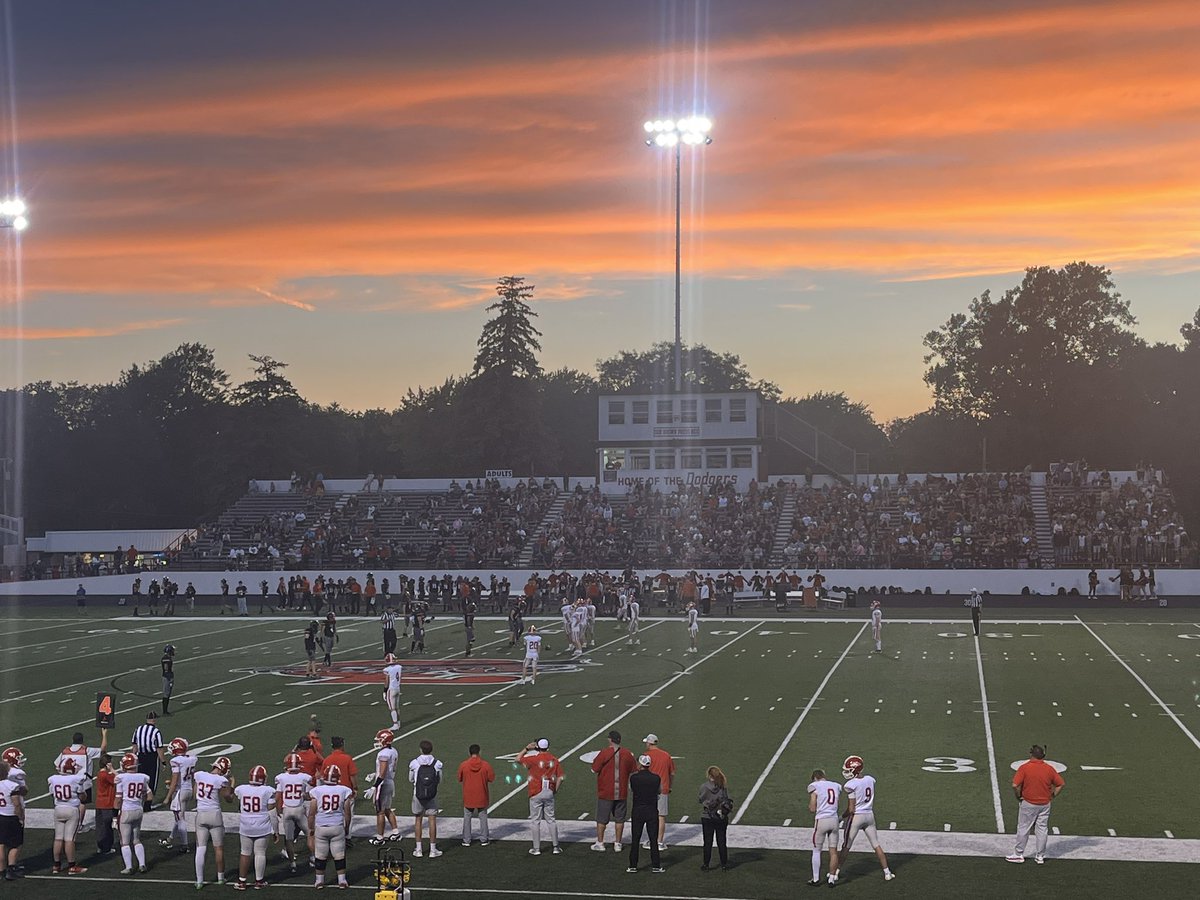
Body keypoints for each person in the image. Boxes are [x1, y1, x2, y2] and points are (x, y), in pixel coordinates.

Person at [829, 755, 894, 884]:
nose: (846, 772)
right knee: (876, 845)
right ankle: (887, 872)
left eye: (848, 770)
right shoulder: (870, 779)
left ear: (855, 770)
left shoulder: (850, 785)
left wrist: (841, 817)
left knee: (846, 846)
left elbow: (851, 809)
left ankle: (835, 873)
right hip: (869, 815)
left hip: (857, 817)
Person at [1007, 744, 1065, 865]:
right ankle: (1040, 856)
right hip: (1045, 804)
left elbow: (1015, 785)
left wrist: (1018, 796)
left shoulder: (1025, 767)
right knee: (1042, 829)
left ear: (1031, 754)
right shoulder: (1049, 769)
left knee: (1024, 828)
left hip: (1029, 803)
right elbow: (1060, 784)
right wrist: (1052, 796)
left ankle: (1018, 854)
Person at [590, 730, 636, 852]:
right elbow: (633, 769)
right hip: (621, 792)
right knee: (620, 819)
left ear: (610, 740)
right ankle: (618, 843)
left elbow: (594, 769)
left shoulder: (604, 753)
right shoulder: (627, 753)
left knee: (602, 819)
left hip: (606, 791)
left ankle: (600, 842)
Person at [308, 764, 353, 888]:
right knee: (339, 855)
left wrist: (311, 828)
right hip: (337, 825)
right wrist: (347, 828)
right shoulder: (344, 790)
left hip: (321, 826)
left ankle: (319, 881)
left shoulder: (317, 791)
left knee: (320, 855)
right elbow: (347, 813)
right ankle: (342, 881)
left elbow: (311, 813)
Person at [233, 765, 276, 890]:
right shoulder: (268, 790)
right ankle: (259, 881)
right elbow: (272, 812)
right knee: (260, 853)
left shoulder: (241, 789)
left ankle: (242, 881)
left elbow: (239, 805)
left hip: (246, 825)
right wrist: (276, 830)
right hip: (262, 825)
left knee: (245, 852)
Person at [518, 738, 562, 855]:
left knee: (535, 821)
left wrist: (526, 748)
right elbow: (560, 777)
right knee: (551, 820)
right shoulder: (554, 759)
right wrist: (554, 790)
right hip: (549, 790)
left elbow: (517, 759)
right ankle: (556, 847)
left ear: (538, 747)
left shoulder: (533, 759)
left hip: (535, 791)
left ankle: (536, 848)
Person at [194, 756, 233, 888]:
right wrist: (232, 783)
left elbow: (195, 793)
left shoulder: (199, 775)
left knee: (201, 848)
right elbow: (228, 798)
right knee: (218, 848)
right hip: (215, 815)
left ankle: (199, 881)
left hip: (201, 814)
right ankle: (221, 878)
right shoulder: (221, 780)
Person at [48, 757, 89, 874]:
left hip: (58, 809)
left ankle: (56, 865)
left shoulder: (54, 779)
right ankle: (72, 866)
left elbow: (52, 794)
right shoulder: (75, 780)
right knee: (69, 839)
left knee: (58, 838)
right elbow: (83, 797)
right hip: (71, 809)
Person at [274, 753, 312, 875]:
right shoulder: (305, 777)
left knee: (289, 839)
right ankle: (313, 858)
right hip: (299, 809)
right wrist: (304, 795)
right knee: (310, 834)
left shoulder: (281, 777)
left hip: (287, 810)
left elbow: (278, 796)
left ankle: (292, 864)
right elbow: (308, 796)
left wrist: (277, 809)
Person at [114, 751, 151, 874]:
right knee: (136, 840)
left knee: (125, 842)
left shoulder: (121, 778)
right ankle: (142, 864)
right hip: (138, 810)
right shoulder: (143, 777)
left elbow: (118, 800)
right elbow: (149, 796)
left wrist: (115, 815)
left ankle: (129, 867)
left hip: (126, 811)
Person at [626, 755, 663, 873]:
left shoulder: (634, 778)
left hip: (638, 810)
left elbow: (632, 789)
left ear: (640, 764)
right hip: (651, 810)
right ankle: (656, 865)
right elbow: (659, 791)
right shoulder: (656, 778)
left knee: (635, 839)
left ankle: (633, 865)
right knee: (653, 839)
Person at [159, 736, 197, 852]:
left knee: (180, 818)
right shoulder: (192, 759)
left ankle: (185, 845)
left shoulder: (175, 761)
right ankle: (170, 838)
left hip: (180, 791)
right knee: (178, 817)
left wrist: (167, 797)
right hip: (188, 789)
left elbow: (175, 781)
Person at [408, 740, 444, 858]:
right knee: (432, 820)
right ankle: (433, 850)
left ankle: (418, 849)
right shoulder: (437, 763)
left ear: (420, 750)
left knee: (418, 820)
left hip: (417, 794)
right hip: (432, 795)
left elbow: (411, 779)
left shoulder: (414, 763)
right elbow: (440, 780)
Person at [806, 768, 841, 885]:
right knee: (833, 851)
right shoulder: (836, 785)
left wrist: (811, 804)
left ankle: (816, 878)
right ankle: (831, 879)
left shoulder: (815, 786)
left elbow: (812, 808)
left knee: (816, 850)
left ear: (815, 778)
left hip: (822, 820)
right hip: (834, 820)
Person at [321, 737, 359, 843]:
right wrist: (355, 788)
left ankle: (333, 835)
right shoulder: (347, 758)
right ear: (342, 745)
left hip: (331, 792)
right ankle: (347, 837)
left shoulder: (327, 759)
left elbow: (323, 776)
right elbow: (352, 775)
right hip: (346, 791)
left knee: (334, 814)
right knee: (348, 814)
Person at [457, 744, 495, 847]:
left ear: (469, 753)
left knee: (467, 817)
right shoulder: (485, 765)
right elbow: (491, 778)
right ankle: (484, 839)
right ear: (479, 752)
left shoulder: (464, 765)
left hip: (468, 795)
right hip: (482, 795)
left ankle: (466, 840)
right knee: (483, 817)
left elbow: (459, 778)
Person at [642, 734, 675, 850]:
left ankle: (652, 840)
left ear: (649, 743)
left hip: (649, 790)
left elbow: (640, 771)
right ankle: (659, 842)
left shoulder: (646, 756)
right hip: (663, 788)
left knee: (650, 816)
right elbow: (672, 773)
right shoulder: (666, 755)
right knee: (661, 816)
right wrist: (669, 786)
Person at [367, 730, 399, 844]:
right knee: (387, 809)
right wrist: (375, 774)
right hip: (390, 781)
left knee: (380, 811)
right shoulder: (393, 750)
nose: (378, 742)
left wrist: (374, 786)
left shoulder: (383, 754)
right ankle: (396, 832)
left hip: (383, 784)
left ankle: (380, 838)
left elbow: (384, 771)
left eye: (380, 740)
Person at [698, 765, 731, 871]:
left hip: (707, 816)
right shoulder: (722, 786)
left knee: (708, 842)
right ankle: (724, 864)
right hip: (721, 817)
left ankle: (706, 864)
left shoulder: (704, 786)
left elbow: (700, 799)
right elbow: (726, 799)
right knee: (722, 841)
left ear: (709, 775)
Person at [131, 711, 164, 811]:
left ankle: (140, 801)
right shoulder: (156, 731)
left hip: (140, 756)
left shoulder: (138, 729)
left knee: (140, 779)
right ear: (154, 720)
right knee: (152, 780)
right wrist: (163, 761)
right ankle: (147, 805)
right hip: (152, 757)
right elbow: (159, 748)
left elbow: (134, 745)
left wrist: (133, 756)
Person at [0, 761, 25, 881]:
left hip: (0, 816)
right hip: (10, 817)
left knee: (1, 844)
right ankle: (11, 869)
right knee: (16, 844)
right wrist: (20, 817)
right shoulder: (11, 785)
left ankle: (1, 870)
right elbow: (17, 804)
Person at [94, 754, 118, 856]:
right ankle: (106, 847)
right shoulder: (106, 775)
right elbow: (118, 778)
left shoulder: (100, 774)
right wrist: (112, 769)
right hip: (107, 804)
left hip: (100, 803)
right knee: (107, 827)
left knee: (100, 827)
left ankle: (101, 846)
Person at [160, 644, 176, 716]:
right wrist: (169, 676)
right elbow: (166, 668)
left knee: (168, 693)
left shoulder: (168, 658)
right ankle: (165, 711)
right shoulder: (166, 658)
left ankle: (166, 711)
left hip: (169, 676)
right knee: (166, 694)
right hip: (167, 677)